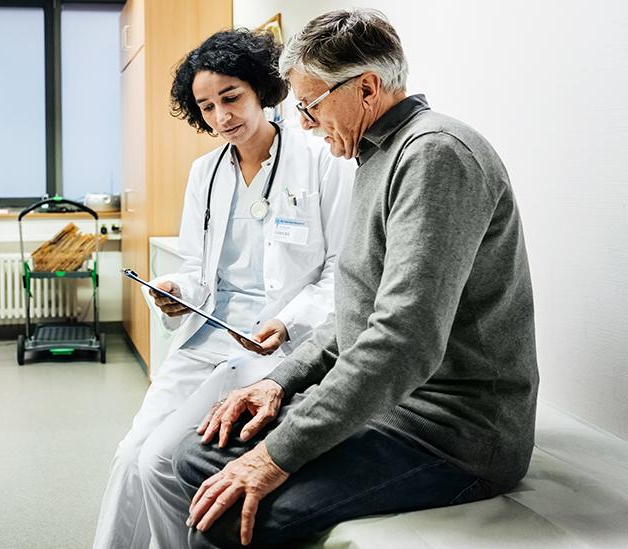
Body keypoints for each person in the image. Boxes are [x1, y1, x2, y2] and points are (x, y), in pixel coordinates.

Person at [166, 9, 539, 548]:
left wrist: (274, 456)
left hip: (449, 433)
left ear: (366, 88)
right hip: (393, 406)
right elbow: (357, 310)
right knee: (195, 456)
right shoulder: (376, 158)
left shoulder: (435, 157)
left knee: (222, 518)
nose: (303, 124)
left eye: (311, 105)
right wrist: (280, 381)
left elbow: (402, 342)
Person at [93, 29, 353, 549]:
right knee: (130, 455)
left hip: (274, 347)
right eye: (206, 107)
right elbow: (196, 267)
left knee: (159, 461)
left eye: (230, 98)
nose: (220, 117)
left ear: (261, 89)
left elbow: (340, 272)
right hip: (209, 333)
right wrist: (171, 289)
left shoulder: (320, 159)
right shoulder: (205, 173)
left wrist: (286, 322)